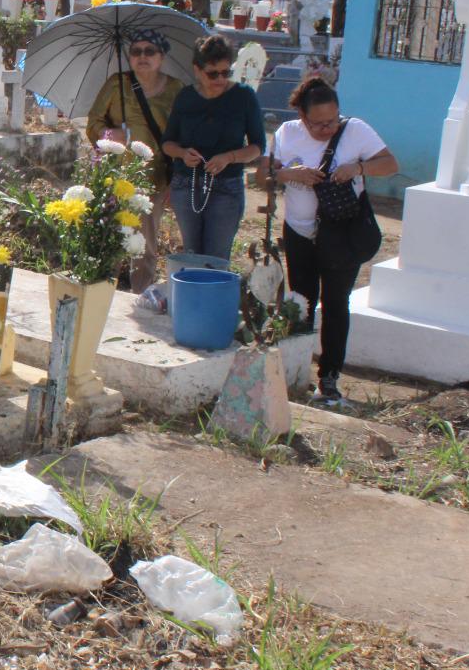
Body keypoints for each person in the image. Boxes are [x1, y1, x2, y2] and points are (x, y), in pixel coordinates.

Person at [259, 76, 398, 406]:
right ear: (302, 116)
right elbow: (263, 174)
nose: (327, 129)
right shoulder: (286, 133)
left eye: (332, 121)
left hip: (342, 233)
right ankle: (296, 371)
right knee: (301, 302)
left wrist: (358, 167)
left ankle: (329, 376)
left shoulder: (356, 131)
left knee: (336, 303)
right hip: (300, 232)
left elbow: (391, 164)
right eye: (318, 123)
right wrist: (290, 174)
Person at [85, 27, 181, 291]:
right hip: (115, 177)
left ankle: (140, 296)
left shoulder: (175, 89)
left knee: (145, 245)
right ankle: (102, 294)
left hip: (155, 179)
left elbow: (184, 135)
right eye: (136, 51)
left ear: (161, 57)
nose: (142, 56)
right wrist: (109, 133)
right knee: (109, 240)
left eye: (150, 51)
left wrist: (178, 179)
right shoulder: (117, 83)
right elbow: (93, 122)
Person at [161, 35, 265, 261]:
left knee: (216, 258)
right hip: (187, 183)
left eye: (225, 73)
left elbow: (258, 146)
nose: (219, 79)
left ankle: (213, 297)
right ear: (197, 70)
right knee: (191, 253)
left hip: (226, 186)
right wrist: (182, 153)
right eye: (212, 73)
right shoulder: (186, 96)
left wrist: (230, 157)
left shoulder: (243, 96)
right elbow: (167, 143)